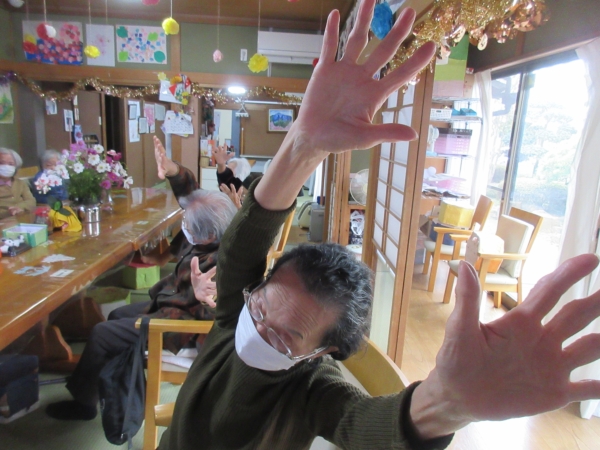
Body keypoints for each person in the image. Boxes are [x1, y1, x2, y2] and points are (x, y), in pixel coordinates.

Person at [158, 2, 600, 449]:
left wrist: (445, 404)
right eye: (262, 308)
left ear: (322, 352)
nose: (259, 329)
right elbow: (243, 246)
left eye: (285, 337)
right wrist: (302, 147)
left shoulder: (311, 390)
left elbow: (363, 423)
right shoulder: (237, 313)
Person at [46, 137, 238, 421]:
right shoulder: (216, 230)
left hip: (182, 326)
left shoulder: (223, 263)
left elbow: (217, 314)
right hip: (173, 303)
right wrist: (172, 169)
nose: (185, 226)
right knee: (116, 317)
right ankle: (118, 380)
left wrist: (202, 298)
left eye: (188, 224)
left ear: (207, 235)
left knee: (101, 334)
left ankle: (85, 403)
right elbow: (193, 196)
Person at [0, 147, 36, 219]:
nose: (6, 166)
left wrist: (19, 207)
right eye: (2, 163)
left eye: (11, 164)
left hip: (22, 219)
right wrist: (8, 212)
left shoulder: (20, 183)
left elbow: (31, 201)